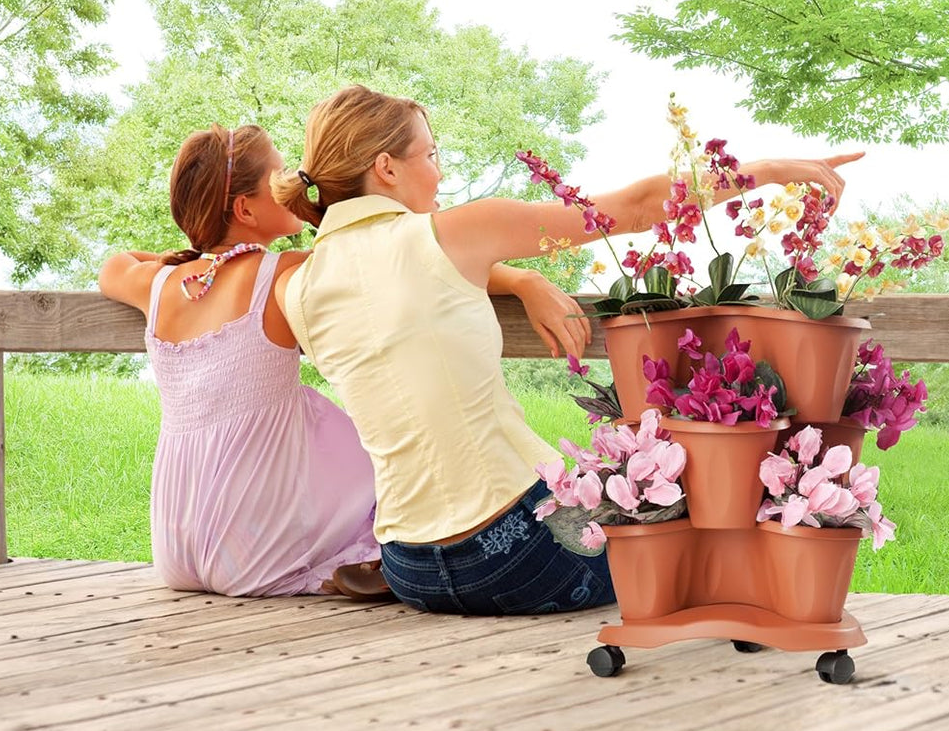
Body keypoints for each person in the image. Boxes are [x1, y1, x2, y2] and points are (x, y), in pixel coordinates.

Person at [269, 84, 861, 614]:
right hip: (518, 554)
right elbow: (631, 208)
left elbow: (391, 286)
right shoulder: (450, 234)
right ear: (386, 168)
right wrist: (774, 169)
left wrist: (520, 279)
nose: (440, 173)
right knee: (709, 503)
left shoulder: (296, 286)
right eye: (430, 155)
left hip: (408, 565)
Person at [99, 122, 589, 598]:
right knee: (356, 427)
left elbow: (114, 265)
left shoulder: (156, 286)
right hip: (252, 550)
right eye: (278, 175)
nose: (293, 181)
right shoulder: (287, 274)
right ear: (245, 209)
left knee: (313, 414)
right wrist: (523, 280)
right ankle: (371, 552)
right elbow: (417, 261)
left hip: (176, 541)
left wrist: (192, 259)